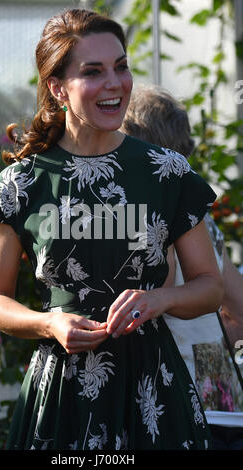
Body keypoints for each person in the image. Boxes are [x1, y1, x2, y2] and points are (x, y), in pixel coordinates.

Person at [0, 9, 223, 450]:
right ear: (57, 88)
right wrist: (48, 323)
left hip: (154, 389)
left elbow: (211, 288)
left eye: (121, 66)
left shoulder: (167, 173)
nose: (116, 83)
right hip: (62, 396)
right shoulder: (21, 183)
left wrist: (158, 299)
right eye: (93, 72)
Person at [121, 84, 243, 449]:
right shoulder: (201, 219)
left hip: (174, 401)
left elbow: (160, 286)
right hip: (224, 400)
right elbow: (238, 307)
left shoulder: (151, 215)